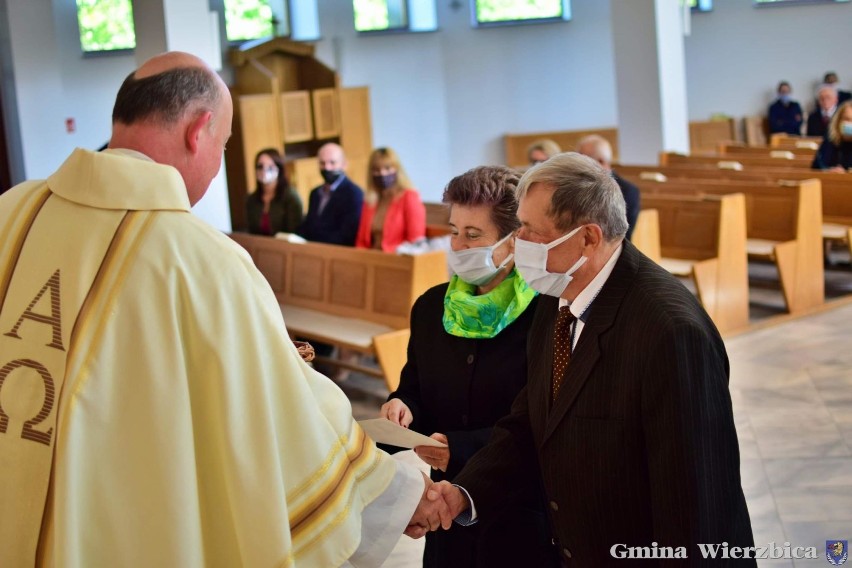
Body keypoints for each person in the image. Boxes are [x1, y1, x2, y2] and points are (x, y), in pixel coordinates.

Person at [0, 51, 452, 567]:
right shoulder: (199, 259)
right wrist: (394, 491)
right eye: (224, 145)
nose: (217, 166)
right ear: (200, 130)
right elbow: (288, 413)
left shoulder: (12, 213)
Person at [424, 153, 755, 567]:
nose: (516, 242)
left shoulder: (669, 331)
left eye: (530, 230)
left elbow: (697, 500)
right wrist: (462, 493)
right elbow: (532, 420)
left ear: (588, 238)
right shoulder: (557, 296)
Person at [380, 166, 557, 568]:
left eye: (473, 235)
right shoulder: (431, 307)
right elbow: (415, 386)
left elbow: (543, 422)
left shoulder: (546, 314)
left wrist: (456, 450)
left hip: (520, 517)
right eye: (454, 230)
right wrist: (402, 405)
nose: (457, 245)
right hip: (448, 520)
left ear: (514, 241)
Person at [355, 147, 426, 251]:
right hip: (370, 258)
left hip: (397, 259)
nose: (382, 174)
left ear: (397, 169)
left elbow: (415, 241)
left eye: (387, 168)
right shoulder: (371, 199)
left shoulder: (409, 197)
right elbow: (361, 240)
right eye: (377, 170)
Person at [576, 134, 640, 241]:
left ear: (601, 161)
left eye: (584, 161)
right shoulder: (576, 184)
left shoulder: (628, 191)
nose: (579, 166)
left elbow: (622, 237)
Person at [296, 142, 363, 246]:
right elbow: (308, 226)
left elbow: (347, 235)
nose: (327, 168)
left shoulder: (354, 194)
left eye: (332, 163)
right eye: (322, 163)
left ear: (344, 164)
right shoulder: (315, 193)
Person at [245, 147, 303, 235]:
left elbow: (295, 232)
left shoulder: (291, 197)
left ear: (279, 169)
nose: (264, 170)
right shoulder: (251, 200)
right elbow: (252, 233)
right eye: (260, 166)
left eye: (270, 167)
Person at [812, 100, 852, 171]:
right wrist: (829, 170)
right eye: (847, 119)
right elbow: (817, 166)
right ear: (838, 121)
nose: (850, 123)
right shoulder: (830, 140)